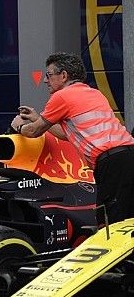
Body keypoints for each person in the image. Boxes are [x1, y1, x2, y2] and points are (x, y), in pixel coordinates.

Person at [12, 52, 134, 224]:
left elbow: (34, 132)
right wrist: (37, 117)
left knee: (109, 224)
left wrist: (19, 126)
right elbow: (68, 134)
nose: (46, 80)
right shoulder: (94, 93)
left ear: (63, 75)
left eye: (49, 75)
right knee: (128, 222)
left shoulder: (61, 96)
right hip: (128, 156)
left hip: (111, 163)